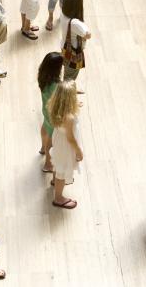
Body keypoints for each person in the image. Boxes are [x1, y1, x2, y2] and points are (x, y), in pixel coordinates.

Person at [49, 80, 83, 209]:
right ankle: (58, 198)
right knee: (62, 172)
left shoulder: (55, 107)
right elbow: (70, 138)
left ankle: (54, 180)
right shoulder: (69, 117)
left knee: (58, 164)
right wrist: (78, 151)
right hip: (66, 145)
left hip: (58, 140)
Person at [38, 52, 64, 173]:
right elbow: (61, 102)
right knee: (52, 142)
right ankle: (48, 164)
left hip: (46, 110)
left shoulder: (42, 76)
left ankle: (43, 148)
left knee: (45, 128)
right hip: (54, 115)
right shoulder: (57, 86)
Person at [60, 0, 91, 83]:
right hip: (73, 52)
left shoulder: (63, 13)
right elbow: (88, 34)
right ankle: (67, 93)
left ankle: (70, 89)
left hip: (65, 48)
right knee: (70, 77)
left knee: (68, 72)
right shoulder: (75, 23)